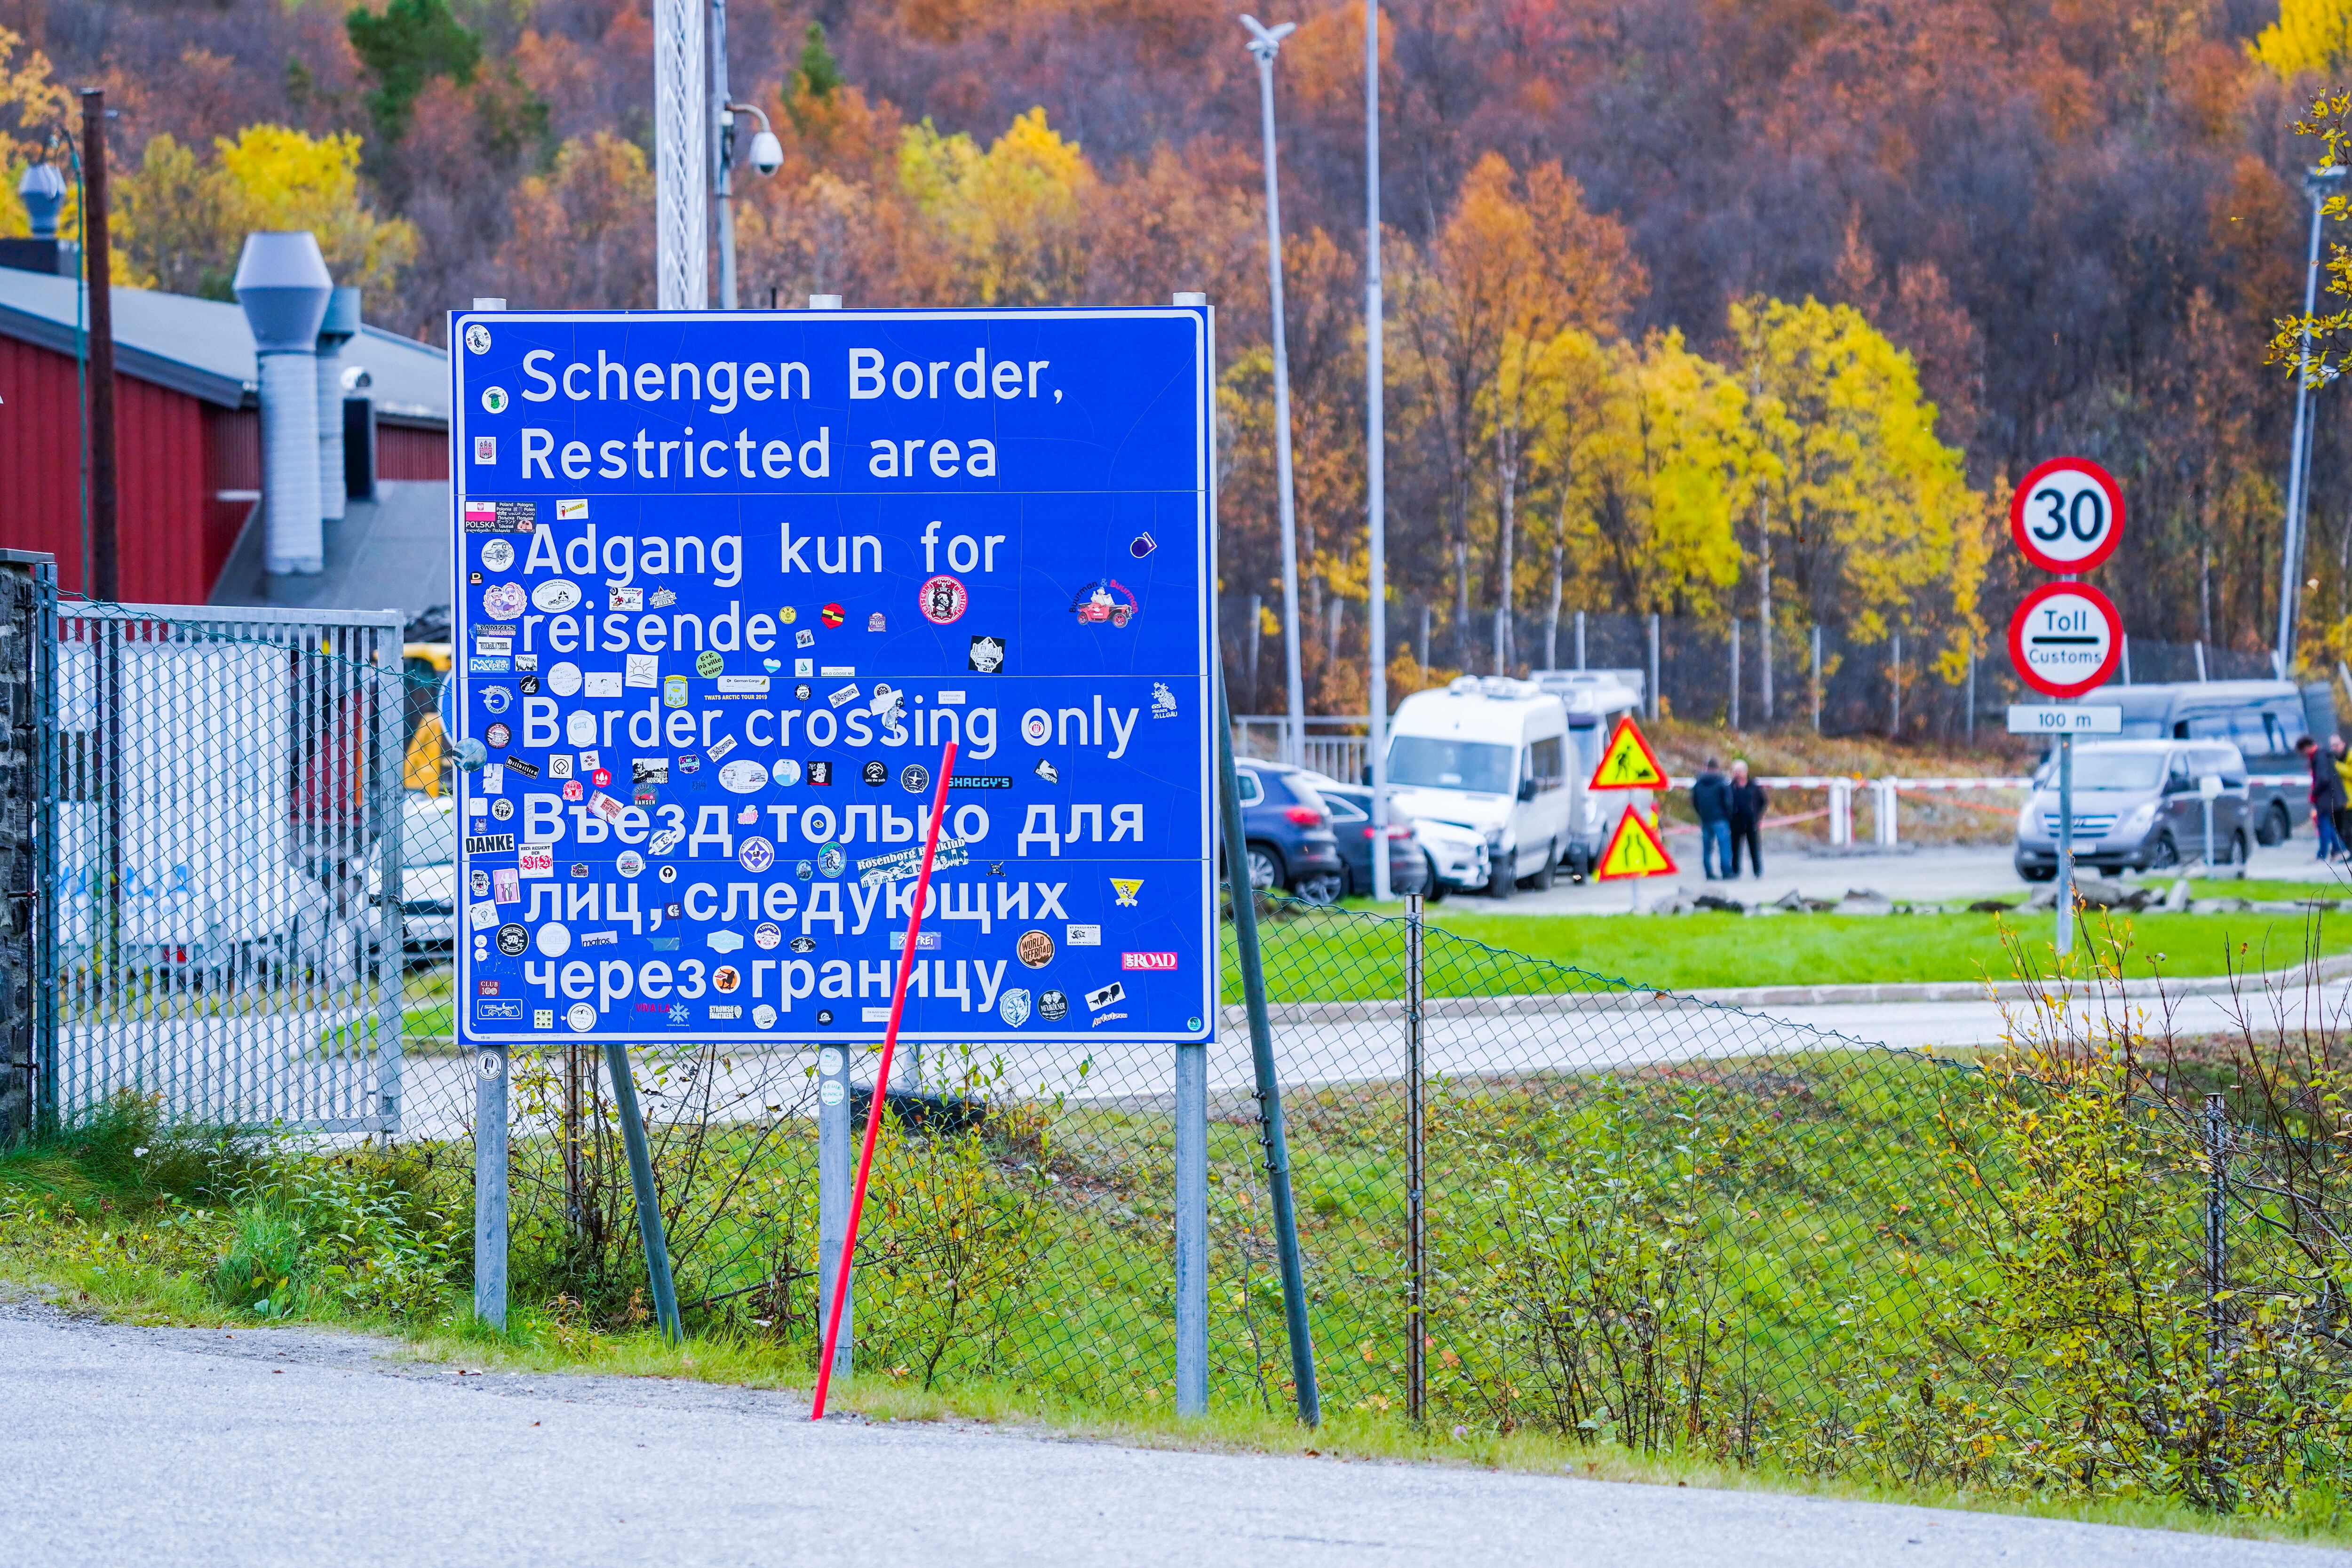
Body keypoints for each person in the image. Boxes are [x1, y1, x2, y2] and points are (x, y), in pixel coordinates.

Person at [2299, 736, 2346, 861]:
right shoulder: (2324, 755)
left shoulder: (2319, 757)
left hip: (2325, 798)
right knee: (2330, 826)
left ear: (2306, 748)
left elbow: (2323, 779)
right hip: (2332, 797)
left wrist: (2314, 793)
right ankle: (2338, 849)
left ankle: (2324, 853)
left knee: (2324, 825)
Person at [1725, 759, 1767, 878]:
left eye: (1740, 771)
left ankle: (1757, 871)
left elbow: (1763, 801)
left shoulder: (1754, 786)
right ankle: (1735, 871)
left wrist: (1757, 816)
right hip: (1736, 822)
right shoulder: (1730, 787)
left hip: (1751, 822)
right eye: (1735, 771)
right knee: (1735, 849)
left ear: (1746, 771)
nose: (1737, 773)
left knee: (1754, 848)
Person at [1691, 757, 1732, 880]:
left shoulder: (1699, 783)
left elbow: (1695, 801)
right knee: (1724, 846)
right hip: (1720, 819)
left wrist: (1701, 814)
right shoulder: (1722, 782)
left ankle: (1709, 872)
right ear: (1717, 768)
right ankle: (1726, 872)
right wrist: (1728, 815)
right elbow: (1728, 801)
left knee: (1707, 848)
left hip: (1705, 819)